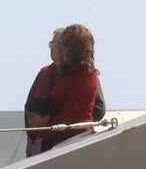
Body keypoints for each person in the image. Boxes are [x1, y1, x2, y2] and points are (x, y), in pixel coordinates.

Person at [33, 23, 100, 153]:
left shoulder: (87, 76)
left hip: (75, 140)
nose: (60, 50)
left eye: (64, 46)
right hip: (57, 137)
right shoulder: (64, 73)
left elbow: (68, 114)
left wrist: (41, 140)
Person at [23, 28, 63, 158]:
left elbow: (98, 108)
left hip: (62, 141)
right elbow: (29, 107)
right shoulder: (44, 73)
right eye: (51, 44)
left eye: (56, 44)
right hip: (38, 143)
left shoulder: (80, 74)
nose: (52, 48)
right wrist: (30, 139)